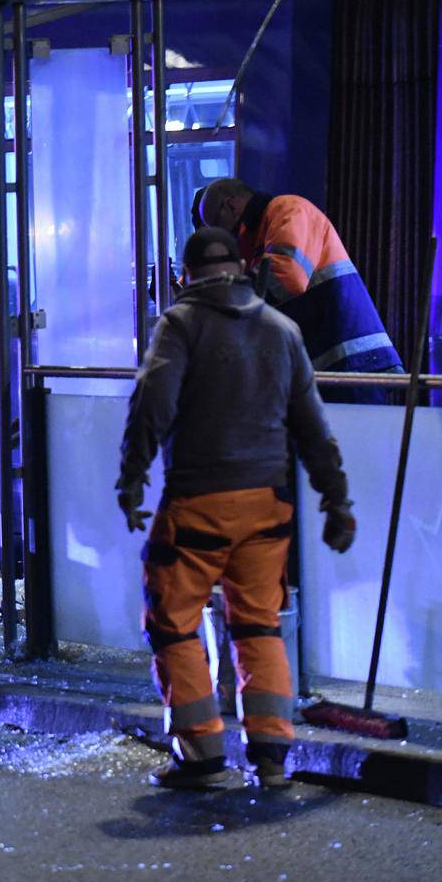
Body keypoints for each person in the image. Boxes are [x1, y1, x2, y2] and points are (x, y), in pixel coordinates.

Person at [117, 227, 357, 791]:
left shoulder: (180, 325)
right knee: (259, 624)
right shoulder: (282, 329)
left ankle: (200, 754)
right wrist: (336, 499)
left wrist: (132, 477)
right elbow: (314, 428)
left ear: (186, 274)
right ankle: (271, 755)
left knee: (173, 623)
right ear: (241, 270)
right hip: (267, 506)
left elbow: (154, 401)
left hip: (199, 501)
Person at [194, 177, 402, 384]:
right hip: (331, 363)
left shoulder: (288, 209)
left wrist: (224, 298)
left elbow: (286, 275)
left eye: (217, 225)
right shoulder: (259, 238)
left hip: (353, 358)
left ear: (231, 205)